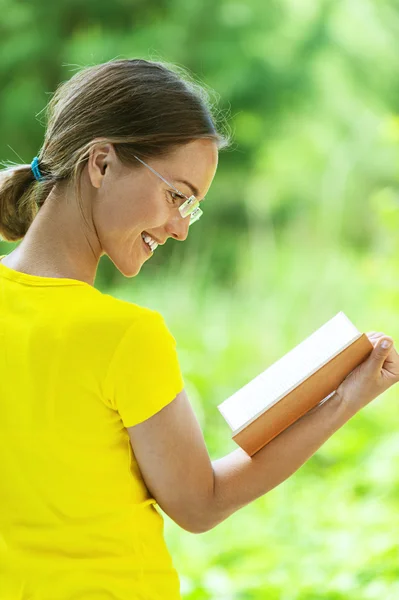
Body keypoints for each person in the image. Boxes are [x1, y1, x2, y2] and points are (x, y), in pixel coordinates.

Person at [0, 58, 398, 600]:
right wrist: (347, 397)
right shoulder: (123, 335)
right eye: (176, 196)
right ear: (101, 163)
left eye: (193, 208)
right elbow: (199, 502)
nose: (181, 228)